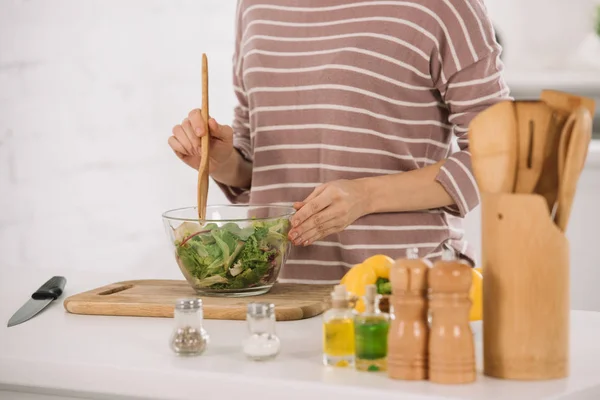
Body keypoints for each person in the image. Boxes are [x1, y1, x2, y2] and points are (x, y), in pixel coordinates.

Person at [168, 0, 511, 284]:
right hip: (279, 296)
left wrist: (364, 196)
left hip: (406, 294)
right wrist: (223, 163)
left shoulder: (445, 7)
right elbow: (258, 160)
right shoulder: (255, 6)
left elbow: (503, 156)